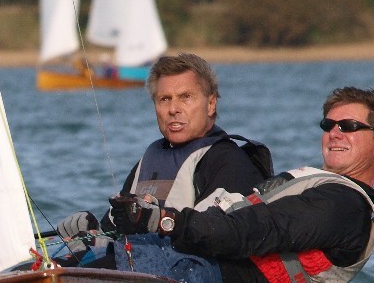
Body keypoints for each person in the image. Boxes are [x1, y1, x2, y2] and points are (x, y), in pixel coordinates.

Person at [88, 86, 374, 283]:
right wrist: (101, 231)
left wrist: (166, 221)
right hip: (187, 271)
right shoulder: (318, 186)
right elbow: (216, 218)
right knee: (87, 249)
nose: (335, 133)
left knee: (85, 270)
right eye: (328, 125)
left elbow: (252, 230)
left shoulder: (347, 206)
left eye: (350, 126)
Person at [56, 52, 273, 248]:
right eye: (164, 99)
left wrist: (158, 220)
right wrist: (90, 231)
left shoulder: (229, 161)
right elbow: (116, 231)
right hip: (140, 270)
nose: (173, 109)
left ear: (211, 104)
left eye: (186, 97)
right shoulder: (149, 159)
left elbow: (220, 235)